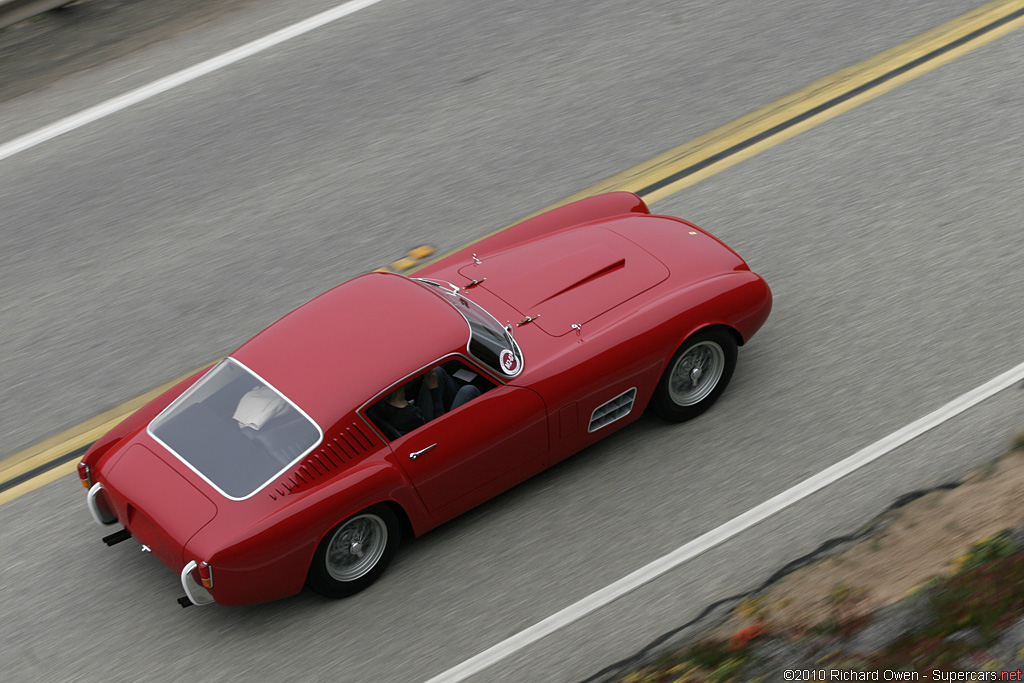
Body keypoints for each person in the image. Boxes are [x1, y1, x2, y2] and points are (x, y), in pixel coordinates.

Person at [372, 367, 481, 438]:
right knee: (468, 391)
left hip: (423, 423)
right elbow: (439, 425)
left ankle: (459, 409)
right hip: (438, 432)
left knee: (437, 371)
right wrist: (434, 390)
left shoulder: (383, 405)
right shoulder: (410, 415)